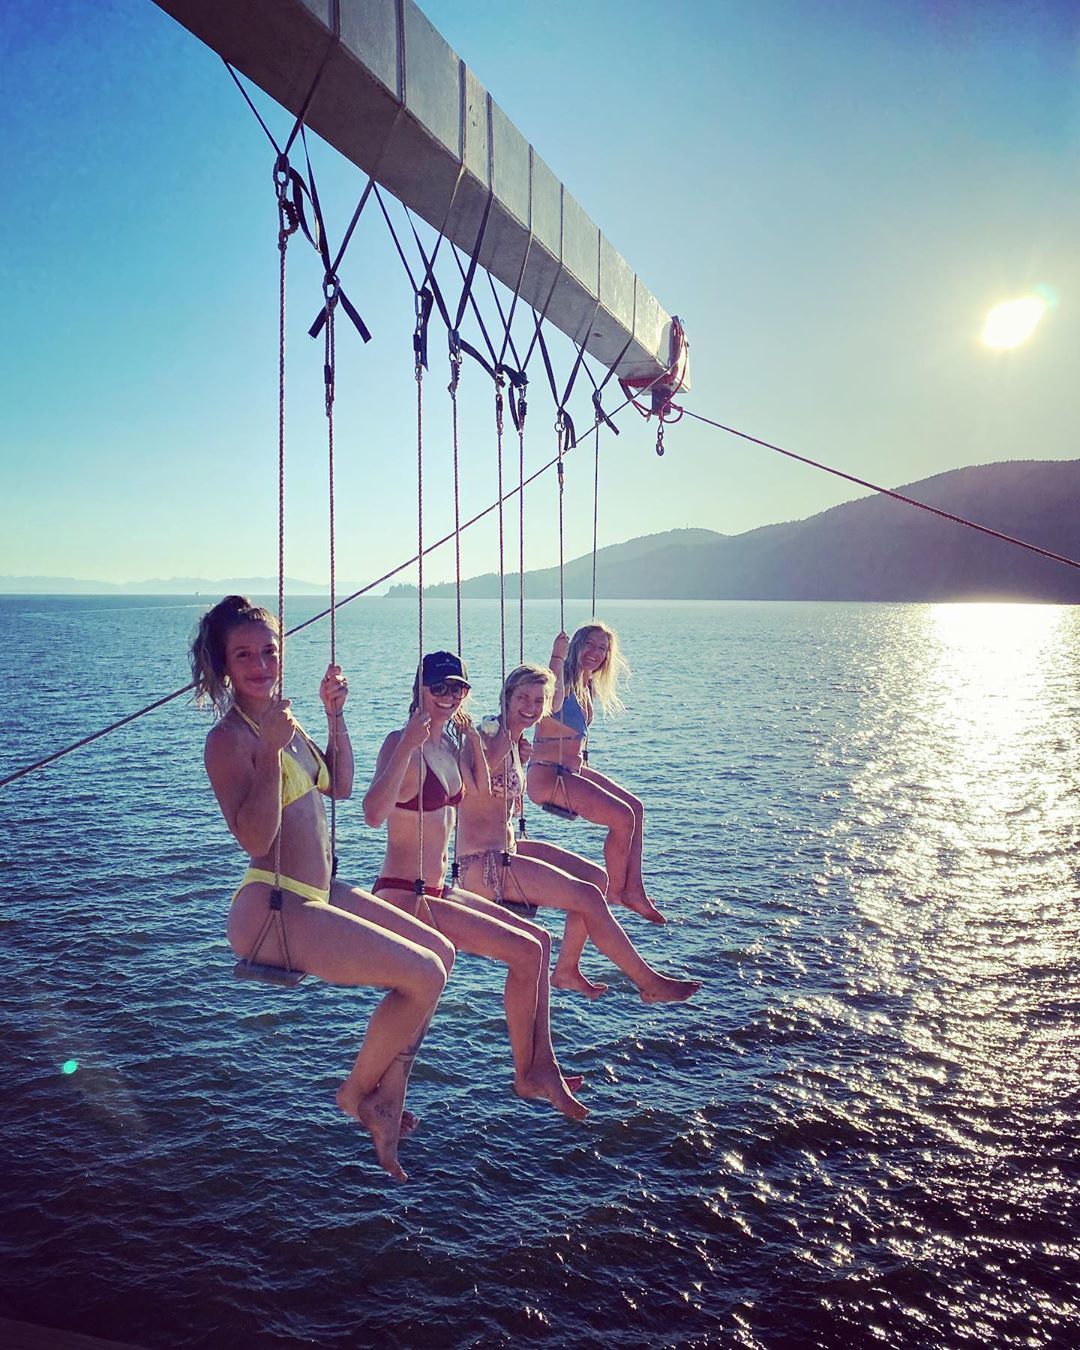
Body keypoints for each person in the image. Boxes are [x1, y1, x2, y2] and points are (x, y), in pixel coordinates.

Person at [191, 596, 454, 1183]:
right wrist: (267, 752)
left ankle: (387, 1098)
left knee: (441, 952)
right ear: (224, 663)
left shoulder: (286, 722)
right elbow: (254, 837)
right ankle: (357, 1094)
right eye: (244, 654)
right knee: (423, 976)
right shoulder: (229, 739)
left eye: (269, 651)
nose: (261, 664)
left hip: (318, 890)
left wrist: (334, 716)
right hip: (273, 903)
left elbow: (341, 785)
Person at [363, 651, 587, 1121]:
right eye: (439, 687)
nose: (449, 696)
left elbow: (480, 790)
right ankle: (529, 1073)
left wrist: (483, 739)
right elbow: (372, 814)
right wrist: (407, 744)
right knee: (522, 953)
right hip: (405, 891)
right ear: (419, 689)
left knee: (539, 942)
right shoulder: (400, 741)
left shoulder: (447, 742)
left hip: (439, 888)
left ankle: (540, 1066)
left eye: (458, 688)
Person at [459, 663, 700, 1004]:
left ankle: (567, 969)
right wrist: (510, 740)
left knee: (596, 879)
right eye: (523, 698)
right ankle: (649, 982)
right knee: (586, 896)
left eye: (539, 700)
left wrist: (518, 749)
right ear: (506, 697)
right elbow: (478, 775)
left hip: (507, 848)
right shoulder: (487, 735)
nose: (530, 707)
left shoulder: (515, 741)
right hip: (481, 864)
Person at [526, 623, 666, 928]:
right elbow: (551, 704)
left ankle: (634, 890)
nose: (595, 653)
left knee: (635, 808)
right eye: (590, 644)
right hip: (549, 775)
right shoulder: (560, 678)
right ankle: (616, 891)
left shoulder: (586, 685)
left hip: (570, 769)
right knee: (622, 818)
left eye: (602, 648)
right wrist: (556, 656)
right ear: (577, 645)